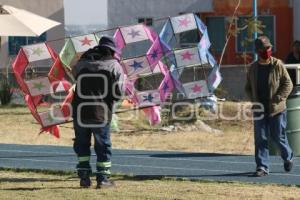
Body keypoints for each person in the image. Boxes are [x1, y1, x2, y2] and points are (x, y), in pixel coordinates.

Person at [71, 36, 124, 188]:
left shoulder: (80, 63)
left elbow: (74, 79)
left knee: (82, 144)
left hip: (80, 112)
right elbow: (119, 93)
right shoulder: (114, 66)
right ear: (111, 51)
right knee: (103, 146)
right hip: (101, 113)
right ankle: (103, 179)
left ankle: (84, 178)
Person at [245, 35, 294, 177]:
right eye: (263, 49)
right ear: (257, 51)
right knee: (260, 138)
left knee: (278, 136)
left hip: (277, 109)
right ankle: (262, 166)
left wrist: (278, 98)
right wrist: (253, 99)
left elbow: (288, 84)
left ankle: (288, 156)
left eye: (268, 48)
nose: (266, 50)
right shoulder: (253, 68)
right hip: (260, 110)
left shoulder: (278, 64)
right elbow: (247, 87)